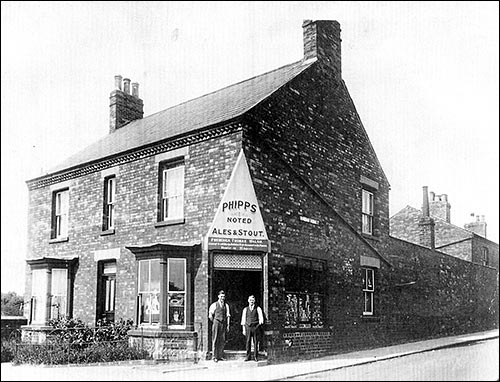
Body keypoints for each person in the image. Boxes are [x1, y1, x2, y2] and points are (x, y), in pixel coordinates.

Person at [208, 290, 231, 362]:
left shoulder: (226, 306)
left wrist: (228, 325)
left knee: (222, 340)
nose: (222, 298)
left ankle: (220, 356)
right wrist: (215, 321)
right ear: (218, 296)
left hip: (223, 323)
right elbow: (210, 315)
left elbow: (228, 316)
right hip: (216, 322)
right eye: (221, 296)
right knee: (215, 339)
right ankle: (214, 357)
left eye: (223, 297)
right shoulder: (214, 305)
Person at [240, 295, 264, 362]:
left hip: (255, 327)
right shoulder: (245, 309)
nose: (251, 302)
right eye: (250, 300)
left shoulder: (258, 308)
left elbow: (261, 319)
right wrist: (244, 329)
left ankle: (256, 357)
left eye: (253, 300)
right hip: (248, 327)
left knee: (256, 342)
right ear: (248, 301)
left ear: (254, 301)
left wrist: (258, 326)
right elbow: (243, 320)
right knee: (248, 342)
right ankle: (248, 356)